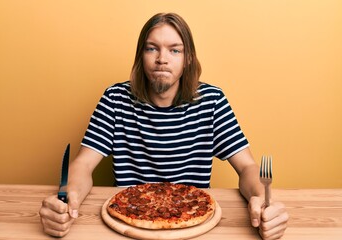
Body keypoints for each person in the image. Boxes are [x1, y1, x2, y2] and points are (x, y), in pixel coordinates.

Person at [39, 13, 289, 239]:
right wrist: (68, 197)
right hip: (127, 228)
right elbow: (83, 164)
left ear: (188, 58)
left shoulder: (212, 101)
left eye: (174, 50)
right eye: (152, 48)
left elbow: (247, 167)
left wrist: (263, 200)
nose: (162, 59)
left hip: (195, 225)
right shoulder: (115, 99)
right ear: (141, 55)